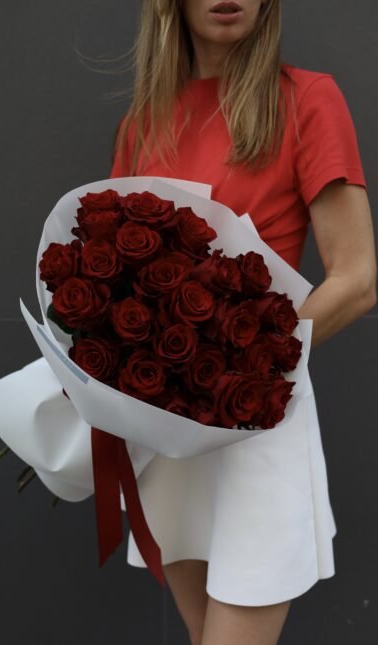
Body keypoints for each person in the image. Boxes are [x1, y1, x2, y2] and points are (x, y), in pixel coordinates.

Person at [109, 1, 377, 643]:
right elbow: (115, 282)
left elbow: (357, 279)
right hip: (168, 428)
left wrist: (244, 362)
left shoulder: (307, 100)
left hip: (255, 415)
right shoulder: (144, 121)